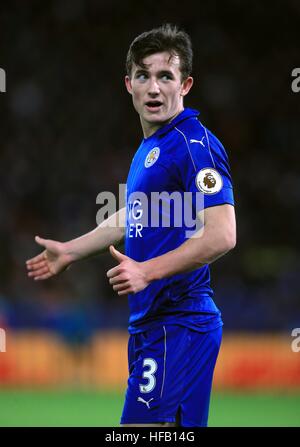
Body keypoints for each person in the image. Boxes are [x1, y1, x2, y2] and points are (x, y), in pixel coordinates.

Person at [26, 24, 236, 427]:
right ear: (129, 84)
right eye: (144, 75)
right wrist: (71, 250)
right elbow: (137, 214)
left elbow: (223, 233)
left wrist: (146, 270)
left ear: (186, 84)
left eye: (165, 76)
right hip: (158, 326)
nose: (154, 88)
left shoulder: (194, 146)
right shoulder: (151, 148)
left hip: (178, 325)